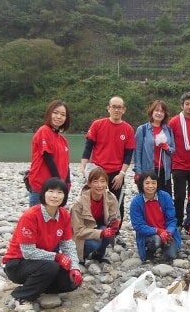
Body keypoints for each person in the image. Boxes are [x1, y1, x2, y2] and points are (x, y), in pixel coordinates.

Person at [2, 178, 82, 310]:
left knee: (72, 282)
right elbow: (28, 252)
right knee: (50, 267)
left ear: (65, 196)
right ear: (43, 193)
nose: (55, 196)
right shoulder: (31, 216)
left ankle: (37, 287)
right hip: (17, 263)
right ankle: (22, 296)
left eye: (60, 192)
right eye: (51, 191)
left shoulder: (64, 215)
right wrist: (57, 257)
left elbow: (68, 245)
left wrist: (75, 268)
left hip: (42, 262)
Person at [81, 96, 135, 241]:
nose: (116, 109)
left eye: (119, 107)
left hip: (116, 173)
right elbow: (88, 147)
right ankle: (93, 230)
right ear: (108, 108)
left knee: (117, 204)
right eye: (114, 106)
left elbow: (128, 154)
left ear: (124, 110)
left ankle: (115, 233)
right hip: (98, 171)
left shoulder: (128, 129)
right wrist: (84, 167)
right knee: (93, 201)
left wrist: (122, 174)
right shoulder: (98, 125)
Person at [70, 167, 121, 264]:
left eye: (103, 181)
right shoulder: (79, 203)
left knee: (110, 234)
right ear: (89, 183)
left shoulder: (110, 197)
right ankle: (81, 257)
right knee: (94, 244)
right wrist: (101, 233)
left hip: (99, 226)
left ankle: (98, 255)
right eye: (95, 181)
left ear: (106, 183)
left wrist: (114, 223)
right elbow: (78, 231)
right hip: (82, 233)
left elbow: (115, 217)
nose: (100, 185)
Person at [168, 92, 190, 226]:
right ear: (182, 105)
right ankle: (177, 222)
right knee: (179, 195)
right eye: (187, 104)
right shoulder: (174, 121)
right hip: (179, 165)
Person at [27, 99, 71, 207]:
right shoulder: (44, 131)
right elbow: (48, 158)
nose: (59, 117)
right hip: (41, 188)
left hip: (57, 189)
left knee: (54, 221)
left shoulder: (63, 140)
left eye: (63, 114)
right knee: (37, 220)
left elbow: (66, 165)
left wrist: (67, 184)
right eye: (55, 113)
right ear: (49, 113)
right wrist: (59, 183)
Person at [129, 171, 181, 262]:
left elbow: (172, 219)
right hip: (150, 234)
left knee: (171, 255)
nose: (150, 186)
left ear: (157, 184)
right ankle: (149, 252)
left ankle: (164, 248)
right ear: (141, 184)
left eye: (153, 183)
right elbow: (138, 226)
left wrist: (168, 232)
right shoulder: (136, 202)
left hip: (166, 231)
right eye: (147, 183)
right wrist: (158, 231)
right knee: (156, 240)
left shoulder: (165, 197)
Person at [134, 100, 175, 195]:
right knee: (148, 198)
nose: (159, 113)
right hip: (148, 171)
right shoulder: (142, 129)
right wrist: (138, 172)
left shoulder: (168, 130)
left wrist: (167, 147)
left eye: (162, 111)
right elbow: (137, 152)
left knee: (165, 198)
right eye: (157, 110)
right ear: (152, 112)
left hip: (164, 172)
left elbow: (173, 149)